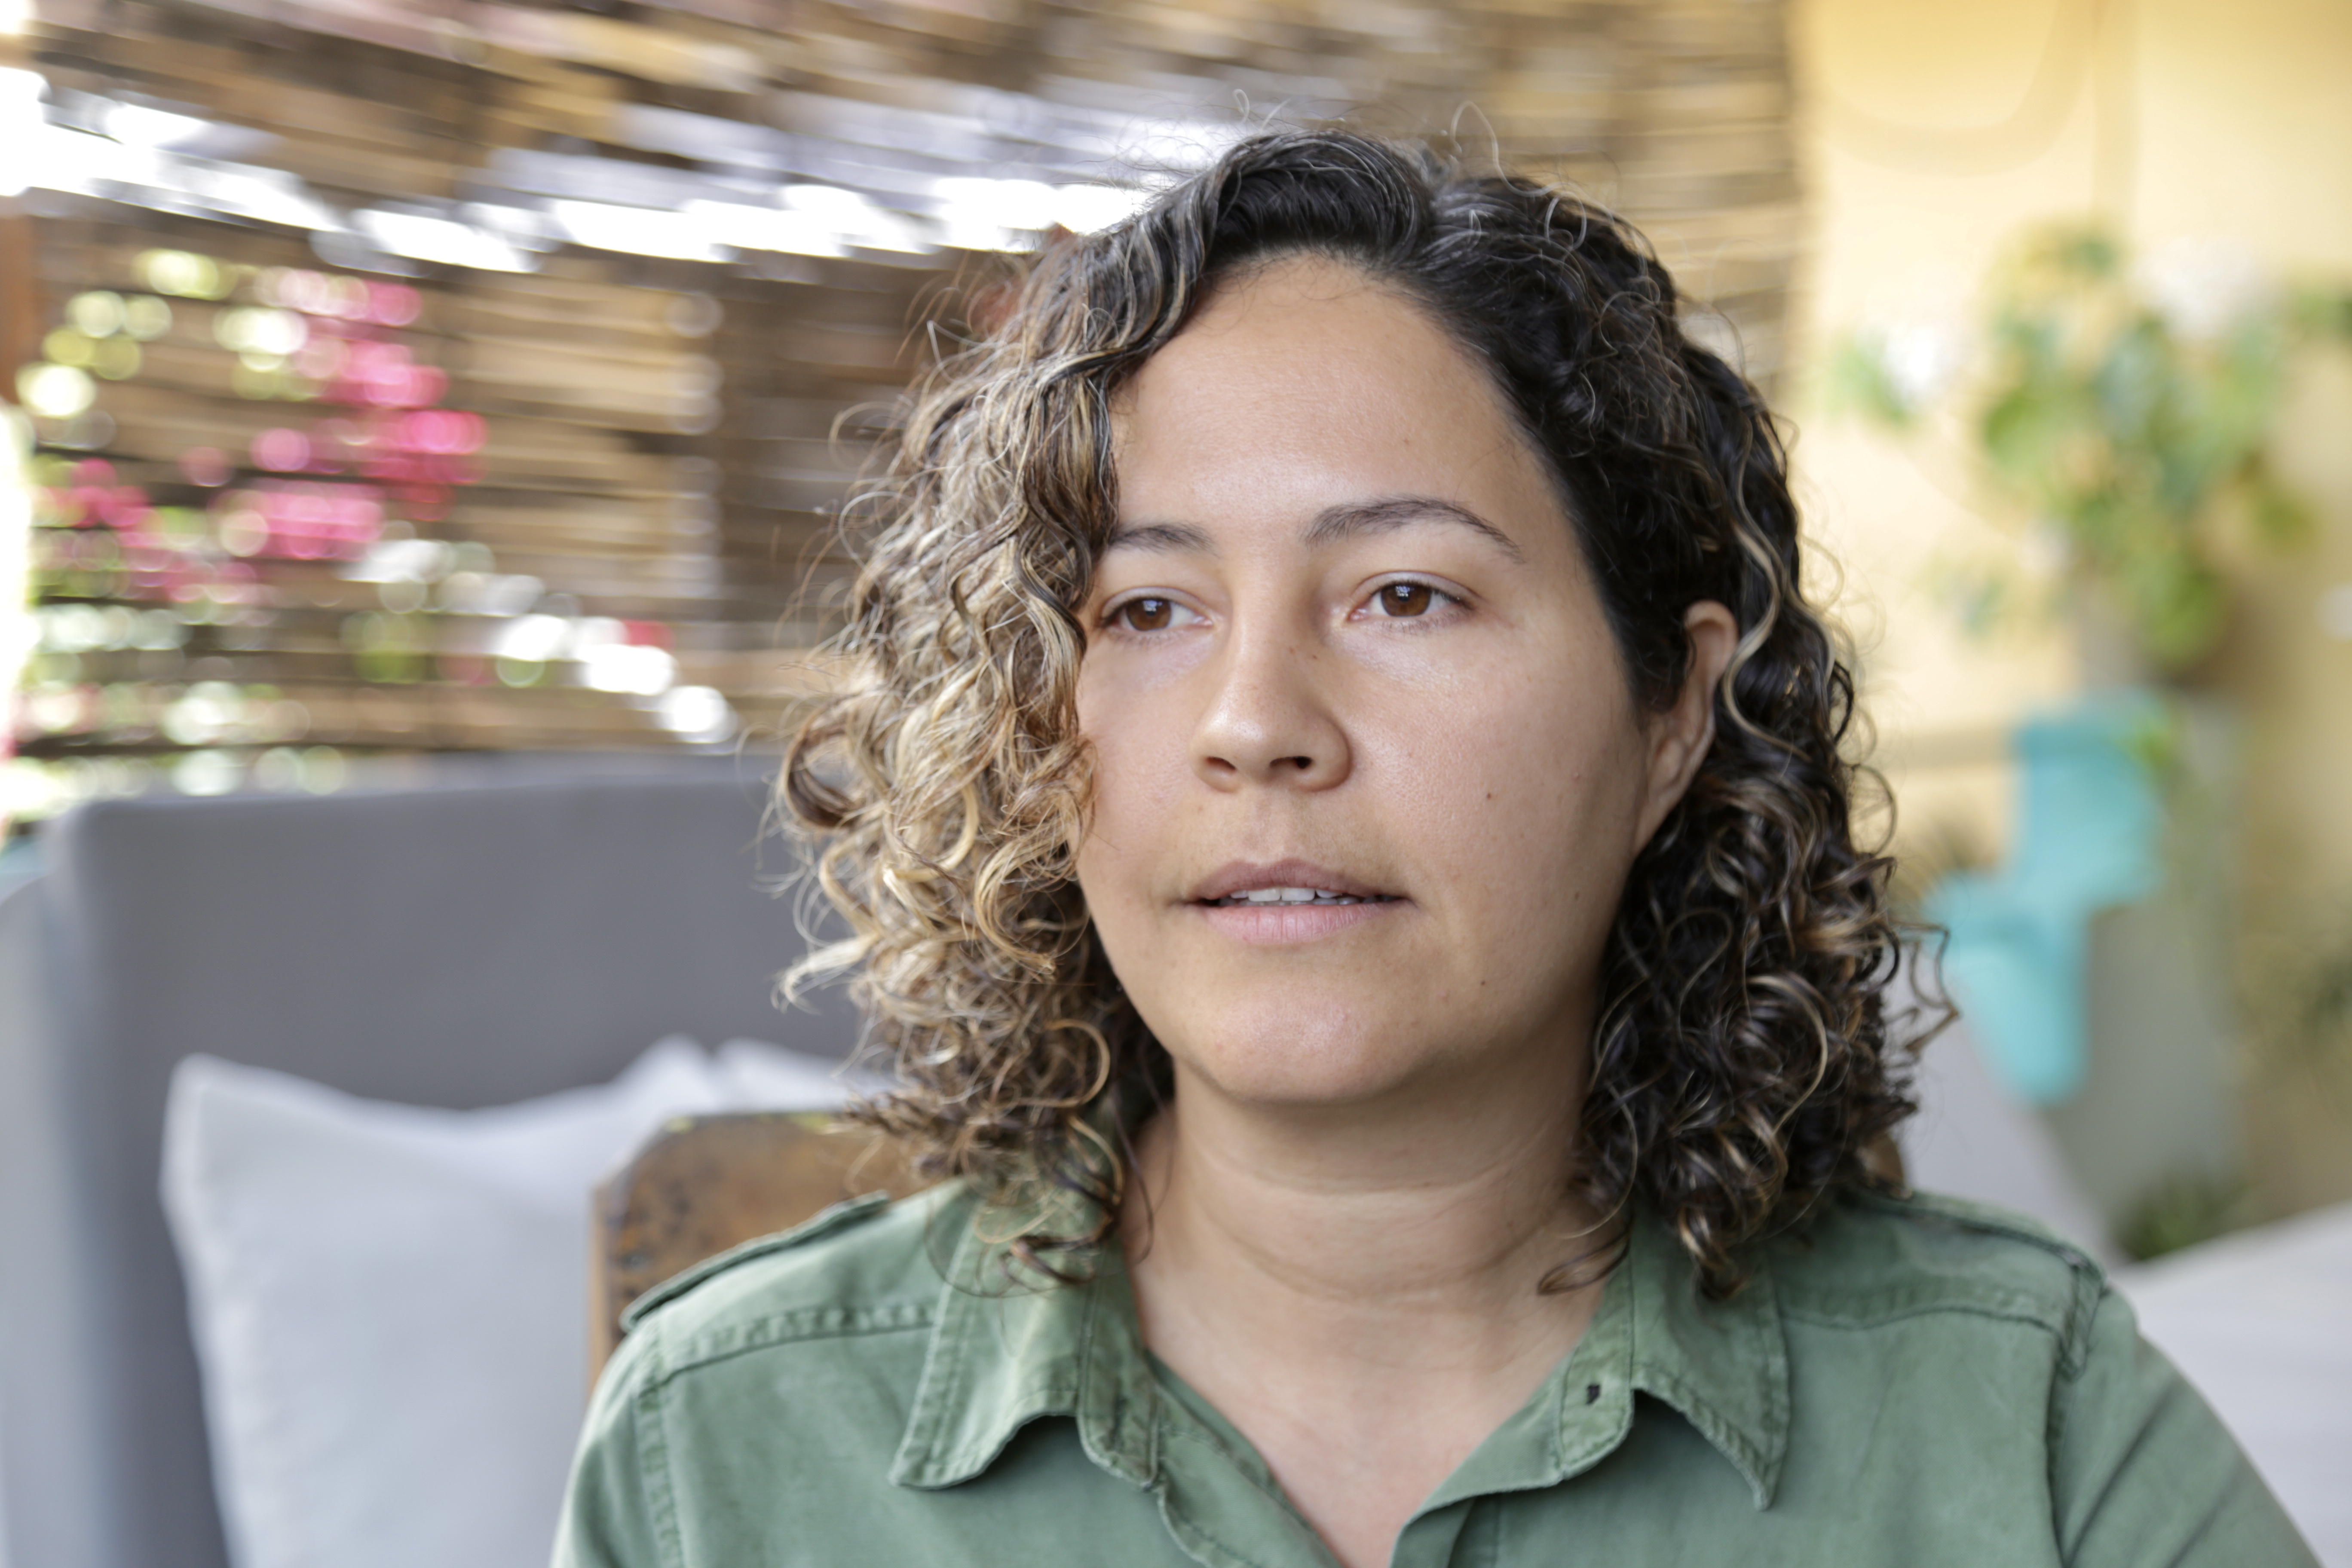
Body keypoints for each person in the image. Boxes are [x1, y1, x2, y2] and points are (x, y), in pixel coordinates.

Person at [553, 132, 2314, 1568]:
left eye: (1405, 594)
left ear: (1671, 712)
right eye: (1147, 607)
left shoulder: (2023, 1422)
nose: (1256, 721)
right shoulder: (722, 1449)